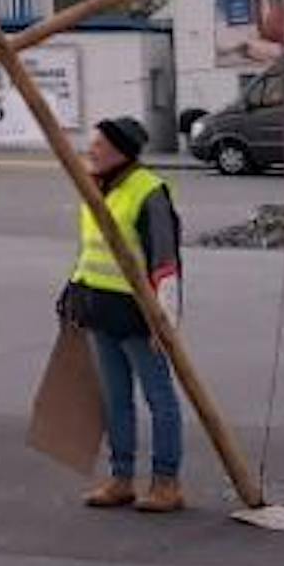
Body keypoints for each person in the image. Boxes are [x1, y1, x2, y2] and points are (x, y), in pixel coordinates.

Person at [57, 117, 185, 514]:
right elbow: (92, 250)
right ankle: (122, 478)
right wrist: (72, 293)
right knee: (115, 400)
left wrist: (164, 320)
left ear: (119, 150)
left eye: (97, 145)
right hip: (101, 308)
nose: (90, 150)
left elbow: (165, 261)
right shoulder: (96, 188)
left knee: (158, 398)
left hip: (139, 313)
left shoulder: (148, 191)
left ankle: (167, 483)